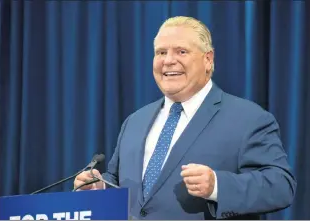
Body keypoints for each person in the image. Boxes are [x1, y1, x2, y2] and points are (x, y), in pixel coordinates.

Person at [74, 16, 297, 219]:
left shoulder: (249, 118)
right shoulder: (135, 121)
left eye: (181, 51)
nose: (168, 61)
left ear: (208, 59)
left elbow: (281, 186)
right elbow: (118, 180)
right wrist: (99, 188)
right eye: (161, 52)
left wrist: (217, 186)